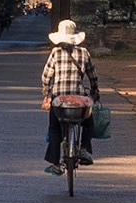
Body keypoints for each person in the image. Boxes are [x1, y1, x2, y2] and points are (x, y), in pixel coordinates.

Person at [39, 18, 98, 175]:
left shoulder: (55, 53)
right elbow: (93, 76)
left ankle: (55, 162)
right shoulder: (84, 53)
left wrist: (46, 93)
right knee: (89, 123)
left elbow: (46, 76)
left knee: (54, 128)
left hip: (59, 99)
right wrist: (95, 93)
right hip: (79, 100)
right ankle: (84, 149)